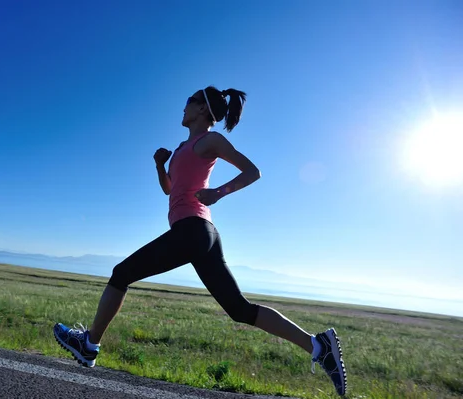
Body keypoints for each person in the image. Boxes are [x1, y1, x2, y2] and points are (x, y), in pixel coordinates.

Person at [53, 86, 347, 396]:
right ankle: (317, 345)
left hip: (193, 229)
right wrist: (159, 165)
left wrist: (219, 192)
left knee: (121, 273)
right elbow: (170, 189)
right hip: (198, 233)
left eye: (189, 102)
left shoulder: (211, 140)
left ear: (203, 109)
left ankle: (89, 344)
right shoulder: (183, 146)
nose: (183, 107)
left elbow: (252, 171)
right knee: (239, 309)